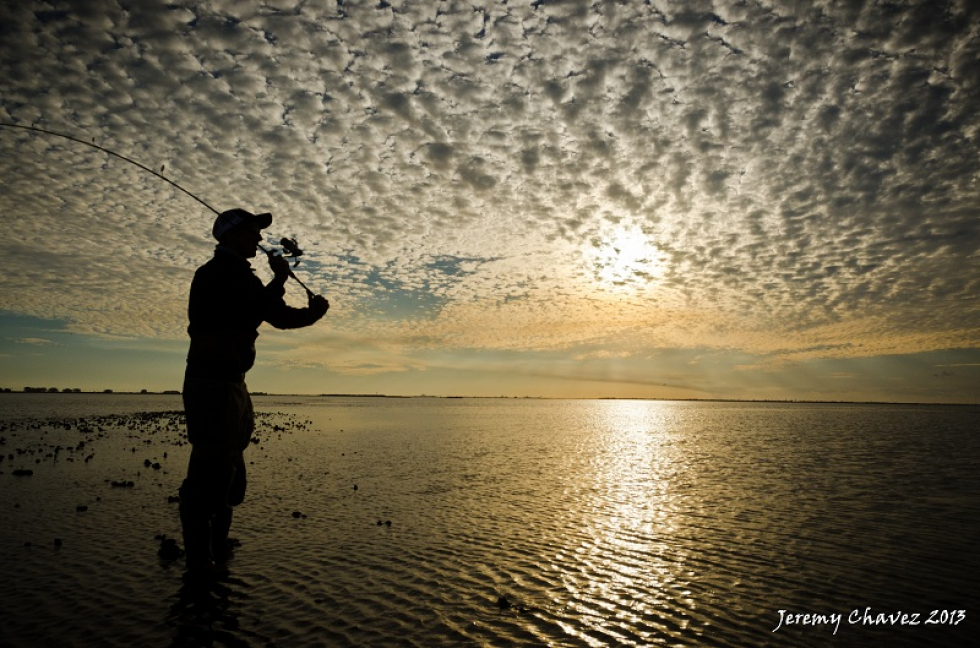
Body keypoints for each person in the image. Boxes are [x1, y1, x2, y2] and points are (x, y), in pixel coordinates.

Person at [179, 208, 329, 572]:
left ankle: (218, 553)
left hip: (231, 384)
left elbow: (269, 313)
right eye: (252, 232)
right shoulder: (218, 273)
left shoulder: (238, 275)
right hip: (213, 386)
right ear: (229, 236)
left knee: (229, 472)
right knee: (210, 474)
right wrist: (282, 281)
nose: (260, 239)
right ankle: (200, 565)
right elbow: (265, 310)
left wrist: (308, 309)